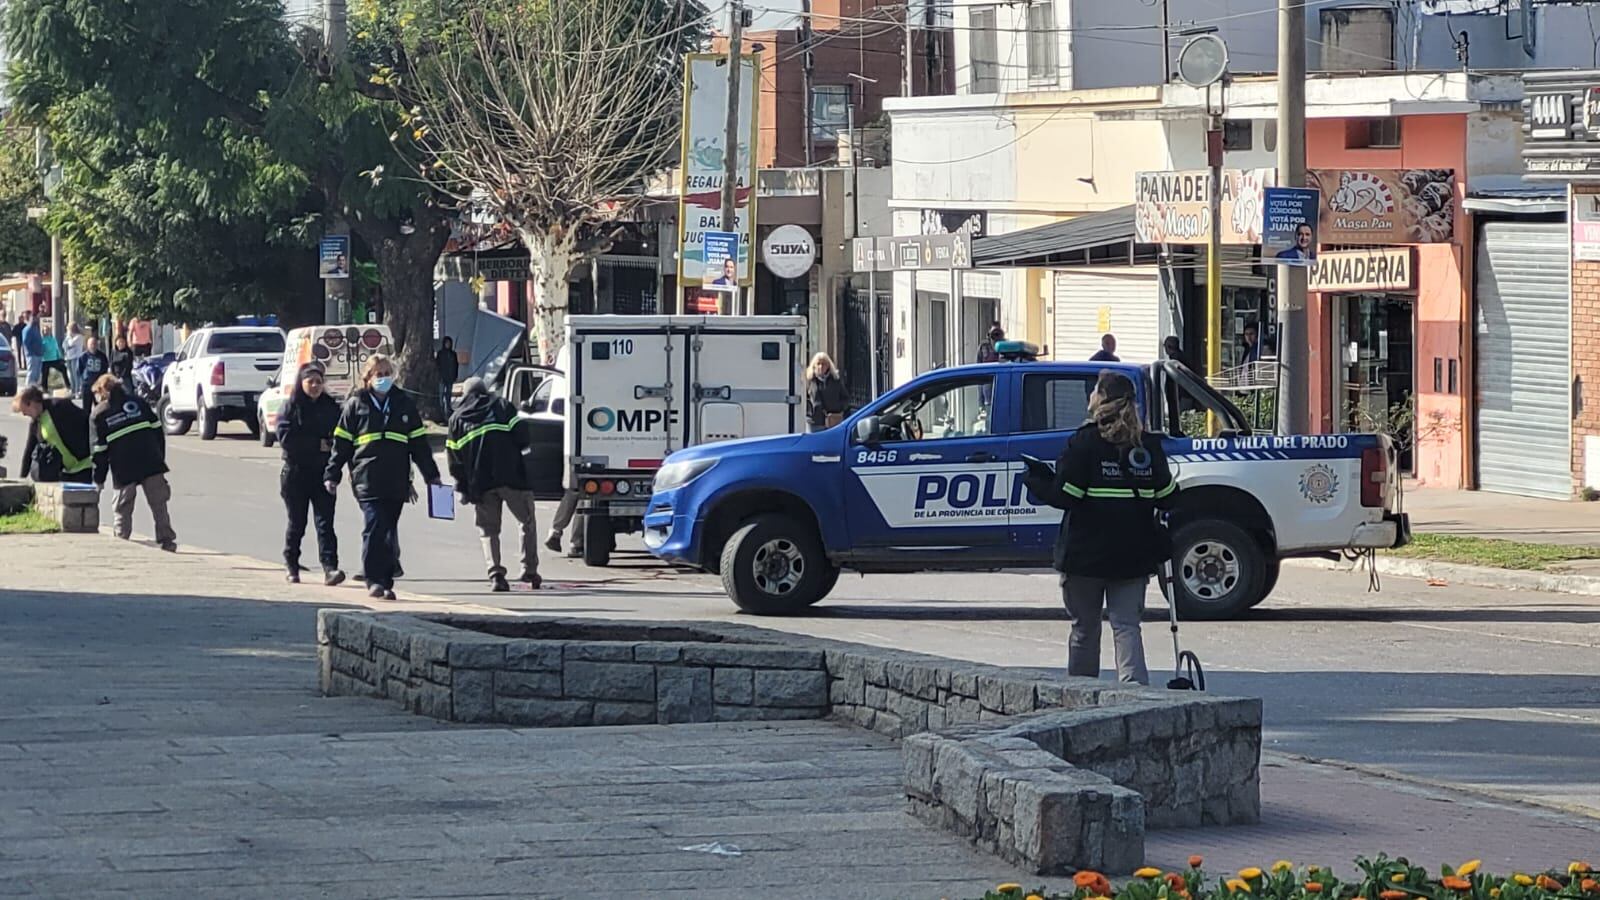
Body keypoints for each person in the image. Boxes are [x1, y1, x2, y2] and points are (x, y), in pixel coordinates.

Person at [1026, 370, 1177, 686]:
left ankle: (1082, 695)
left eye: (1095, 390)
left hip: (1085, 557)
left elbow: (1066, 496)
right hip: (1133, 555)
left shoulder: (1084, 442)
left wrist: (1036, 480)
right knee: (1126, 626)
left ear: (1103, 400)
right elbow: (1167, 497)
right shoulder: (1147, 446)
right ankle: (1135, 693)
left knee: (1085, 628)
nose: (1090, 395)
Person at [324, 354, 440, 600]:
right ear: (368, 378)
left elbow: (419, 444)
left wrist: (432, 476)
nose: (384, 379)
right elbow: (341, 444)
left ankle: (386, 581)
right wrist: (332, 474)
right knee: (374, 527)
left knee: (388, 530)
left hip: (397, 479)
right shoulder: (356, 405)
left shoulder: (403, 404)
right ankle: (373, 579)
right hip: (366, 478)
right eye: (379, 374)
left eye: (388, 373)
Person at [447, 377, 542, 592]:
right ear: (485, 391)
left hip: (480, 482)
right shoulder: (501, 406)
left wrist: (462, 486)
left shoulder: (456, 419)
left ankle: (496, 574)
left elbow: (455, 459)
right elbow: (522, 434)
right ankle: (529, 570)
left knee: (488, 530)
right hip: (512, 477)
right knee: (526, 522)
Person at [89, 374, 177, 551]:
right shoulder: (138, 402)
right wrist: (159, 457)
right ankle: (166, 540)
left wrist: (98, 480)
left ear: (101, 392)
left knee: (122, 507)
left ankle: (122, 541)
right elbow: (158, 432)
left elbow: (99, 451)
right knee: (159, 504)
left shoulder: (99, 415)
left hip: (123, 467)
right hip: (150, 460)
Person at [277, 363, 345, 586]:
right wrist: (318, 444)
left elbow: (341, 438)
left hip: (323, 473)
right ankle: (292, 565)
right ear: (302, 382)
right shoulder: (290, 407)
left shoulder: (330, 407)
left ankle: (330, 568)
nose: (315, 386)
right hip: (296, 474)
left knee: (326, 523)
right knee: (297, 522)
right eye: (310, 382)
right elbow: (287, 440)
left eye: (318, 381)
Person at [14, 384, 95, 483]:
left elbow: (86, 421)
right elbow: (29, 451)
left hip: (83, 466)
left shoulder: (59, 406)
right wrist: (21, 480)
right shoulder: (35, 423)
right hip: (63, 472)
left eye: (24, 410)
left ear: (31, 403)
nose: (24, 414)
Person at [803, 352, 848, 432]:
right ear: (814, 365)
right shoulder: (809, 380)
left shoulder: (835, 380)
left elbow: (845, 398)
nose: (821, 367)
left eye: (824, 364)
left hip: (833, 421)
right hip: (815, 422)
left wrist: (838, 409)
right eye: (818, 364)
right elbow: (804, 398)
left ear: (828, 366)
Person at [76, 335, 109, 408]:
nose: (93, 346)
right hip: (87, 385)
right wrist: (82, 383)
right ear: (87, 345)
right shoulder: (83, 356)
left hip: (99, 386)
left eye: (94, 344)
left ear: (97, 345)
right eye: (91, 344)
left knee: (100, 407)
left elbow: (105, 370)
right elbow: (79, 371)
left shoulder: (102, 356)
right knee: (86, 408)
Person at [39, 323, 69, 392]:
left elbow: (57, 349)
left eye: (48, 330)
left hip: (54, 359)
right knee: (45, 375)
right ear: (43, 331)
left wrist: (60, 357)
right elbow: (41, 350)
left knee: (63, 369)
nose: (46, 331)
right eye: (45, 330)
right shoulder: (42, 340)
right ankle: (44, 388)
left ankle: (68, 385)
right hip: (45, 360)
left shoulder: (53, 339)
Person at [434, 336, 460, 416]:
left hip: (450, 378)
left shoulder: (453, 354)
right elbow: (437, 365)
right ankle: (441, 409)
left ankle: (448, 408)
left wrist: (455, 376)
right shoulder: (440, 354)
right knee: (441, 394)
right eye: (446, 343)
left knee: (448, 394)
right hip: (442, 378)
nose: (448, 345)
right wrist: (439, 376)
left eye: (449, 343)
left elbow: (456, 365)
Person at [20, 312, 43, 388]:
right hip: (32, 355)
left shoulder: (36, 328)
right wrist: (31, 352)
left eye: (35, 318)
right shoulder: (27, 329)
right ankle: (28, 388)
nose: (35, 319)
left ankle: (34, 389)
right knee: (31, 373)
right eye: (33, 318)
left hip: (39, 354)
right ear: (29, 319)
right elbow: (26, 343)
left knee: (37, 373)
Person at [62, 325, 85, 391]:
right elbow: (64, 345)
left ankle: (77, 389)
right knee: (70, 375)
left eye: (68, 330)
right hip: (68, 357)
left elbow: (71, 344)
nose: (67, 331)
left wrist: (69, 337)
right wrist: (68, 338)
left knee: (76, 375)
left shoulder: (79, 337)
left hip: (76, 357)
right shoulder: (69, 337)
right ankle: (73, 389)